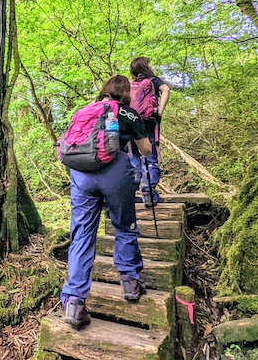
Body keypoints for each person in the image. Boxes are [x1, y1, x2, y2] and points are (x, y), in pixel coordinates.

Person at [61, 75, 153, 328]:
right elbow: (145, 150)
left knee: (81, 236)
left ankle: (74, 302)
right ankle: (130, 282)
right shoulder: (128, 113)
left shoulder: (85, 110)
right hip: (114, 171)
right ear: (125, 93)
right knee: (123, 225)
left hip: (80, 174)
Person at [129, 57, 170, 207]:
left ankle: (131, 193)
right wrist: (159, 110)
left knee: (133, 157)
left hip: (132, 124)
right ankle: (149, 192)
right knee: (150, 156)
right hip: (148, 123)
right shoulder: (153, 80)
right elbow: (166, 89)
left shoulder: (130, 84)